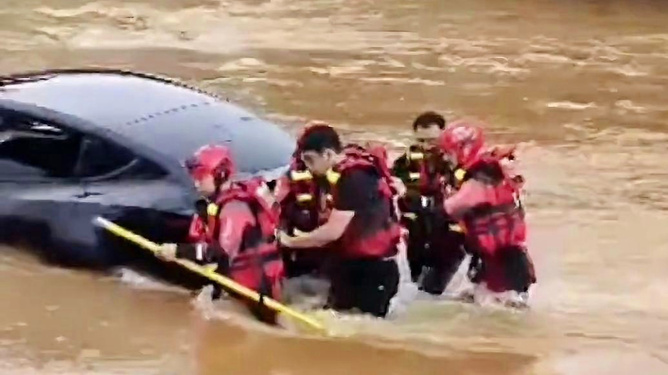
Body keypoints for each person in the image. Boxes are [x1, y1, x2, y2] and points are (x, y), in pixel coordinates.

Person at [277, 124, 401, 318]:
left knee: (361, 329)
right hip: (349, 265)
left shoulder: (355, 178)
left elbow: (333, 231)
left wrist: (290, 241)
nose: (308, 167)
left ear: (327, 154)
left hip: (373, 271)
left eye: (310, 160)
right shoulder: (337, 174)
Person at [158, 144, 284, 323]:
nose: (195, 182)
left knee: (204, 314)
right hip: (237, 282)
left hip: (257, 293)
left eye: (201, 176)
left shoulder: (234, 209)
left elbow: (221, 253)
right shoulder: (218, 204)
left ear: (220, 175)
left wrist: (179, 251)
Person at [437, 120, 536, 305]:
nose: (445, 157)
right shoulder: (488, 170)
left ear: (463, 149)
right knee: (470, 301)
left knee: (504, 311)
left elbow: (451, 208)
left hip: (505, 263)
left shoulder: (481, 177)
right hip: (491, 259)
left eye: (448, 152)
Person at [391, 111, 467, 295]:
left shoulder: (456, 165)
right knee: (415, 290)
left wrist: (409, 196)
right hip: (416, 235)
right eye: (421, 141)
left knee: (434, 291)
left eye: (432, 141)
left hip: (448, 238)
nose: (426, 147)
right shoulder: (403, 164)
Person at [274, 122, 334, 279]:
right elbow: (277, 209)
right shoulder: (290, 178)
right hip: (299, 251)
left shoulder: (343, 176)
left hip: (330, 254)